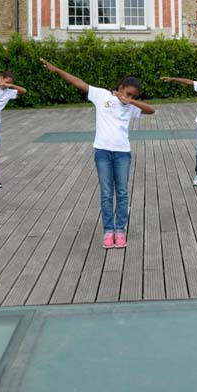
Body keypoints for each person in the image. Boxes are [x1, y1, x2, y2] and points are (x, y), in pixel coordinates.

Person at [41, 58, 155, 249]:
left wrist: (131, 101)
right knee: (106, 192)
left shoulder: (131, 106)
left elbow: (152, 110)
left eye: (133, 95)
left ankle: (120, 230)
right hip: (102, 152)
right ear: (121, 87)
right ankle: (108, 231)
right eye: (128, 92)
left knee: (122, 192)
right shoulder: (102, 95)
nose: (129, 97)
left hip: (122, 153)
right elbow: (79, 83)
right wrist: (57, 70)